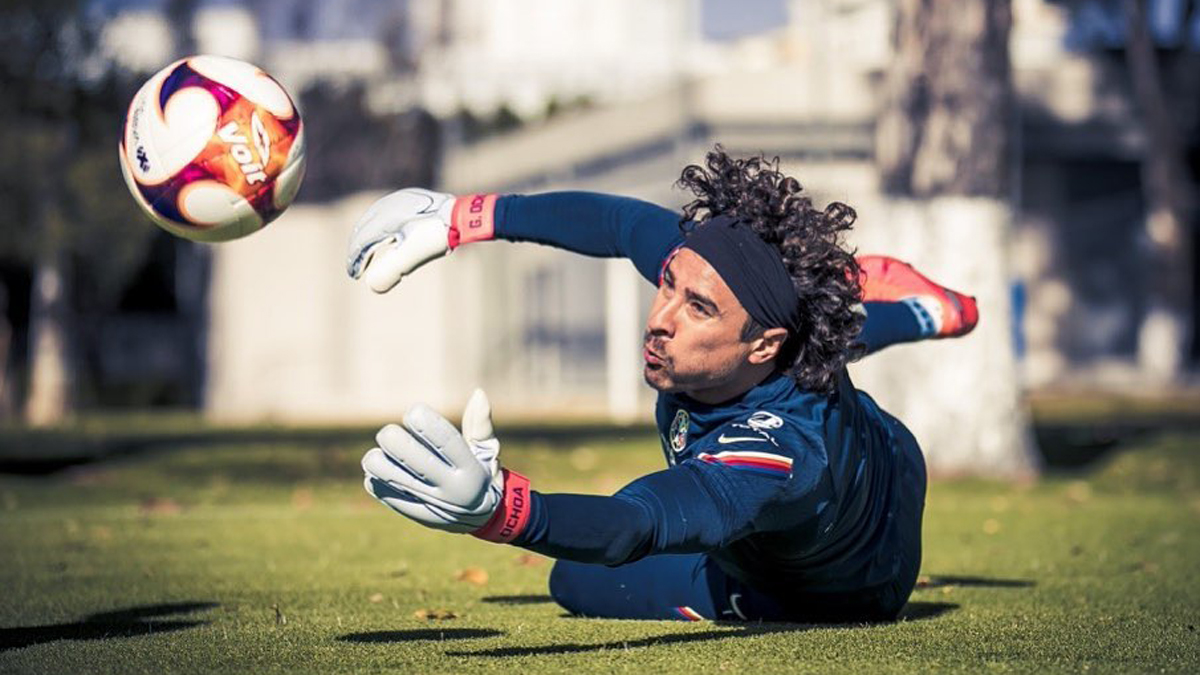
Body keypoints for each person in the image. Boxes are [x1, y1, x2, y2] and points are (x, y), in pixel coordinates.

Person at [345, 147, 977, 623]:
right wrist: (460, 216)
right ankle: (934, 311)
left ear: (761, 344)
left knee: (572, 582)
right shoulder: (716, 278)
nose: (660, 318)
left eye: (697, 308)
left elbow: (637, 523)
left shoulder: (777, 451)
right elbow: (620, 223)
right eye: (667, 284)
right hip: (852, 448)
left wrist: (502, 511)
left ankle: (916, 309)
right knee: (823, 331)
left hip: (850, 586)